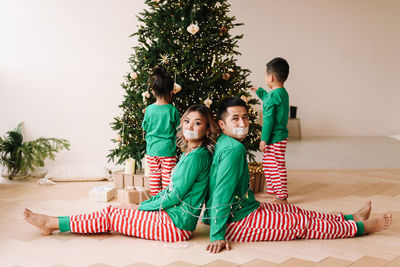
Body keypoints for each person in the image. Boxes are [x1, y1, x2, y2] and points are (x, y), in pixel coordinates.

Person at [203, 96, 392, 253]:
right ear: (222, 124)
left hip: (242, 209)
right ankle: (362, 228)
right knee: (301, 223)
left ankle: (350, 218)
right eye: (235, 118)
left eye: (245, 117)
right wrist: (217, 235)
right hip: (235, 222)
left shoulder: (225, 142)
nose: (242, 123)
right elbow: (221, 191)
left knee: (292, 210)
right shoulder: (234, 149)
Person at [24, 104, 219, 242]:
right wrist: (142, 205)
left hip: (175, 226)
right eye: (187, 121)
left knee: (111, 215)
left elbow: (174, 195)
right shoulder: (190, 154)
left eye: (197, 123)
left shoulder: (197, 157)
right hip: (171, 218)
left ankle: (51, 223)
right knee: (114, 210)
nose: (190, 127)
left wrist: (140, 208)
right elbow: (170, 190)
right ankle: (53, 222)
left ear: (206, 128)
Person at [250, 57, 290, 203]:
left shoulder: (273, 96)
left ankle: (281, 195)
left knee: (274, 165)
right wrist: (260, 92)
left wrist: (263, 139)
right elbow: (270, 99)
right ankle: (273, 192)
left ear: (271, 77)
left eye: (266, 75)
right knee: (270, 164)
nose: (266, 78)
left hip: (273, 138)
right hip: (280, 137)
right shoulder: (282, 93)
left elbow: (268, 120)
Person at [142, 66, 180, 196]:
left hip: (152, 150)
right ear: (171, 92)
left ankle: (155, 200)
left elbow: (145, 127)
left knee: (154, 176)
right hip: (168, 150)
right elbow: (179, 129)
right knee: (168, 178)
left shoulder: (149, 110)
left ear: (153, 92)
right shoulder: (172, 110)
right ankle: (166, 201)